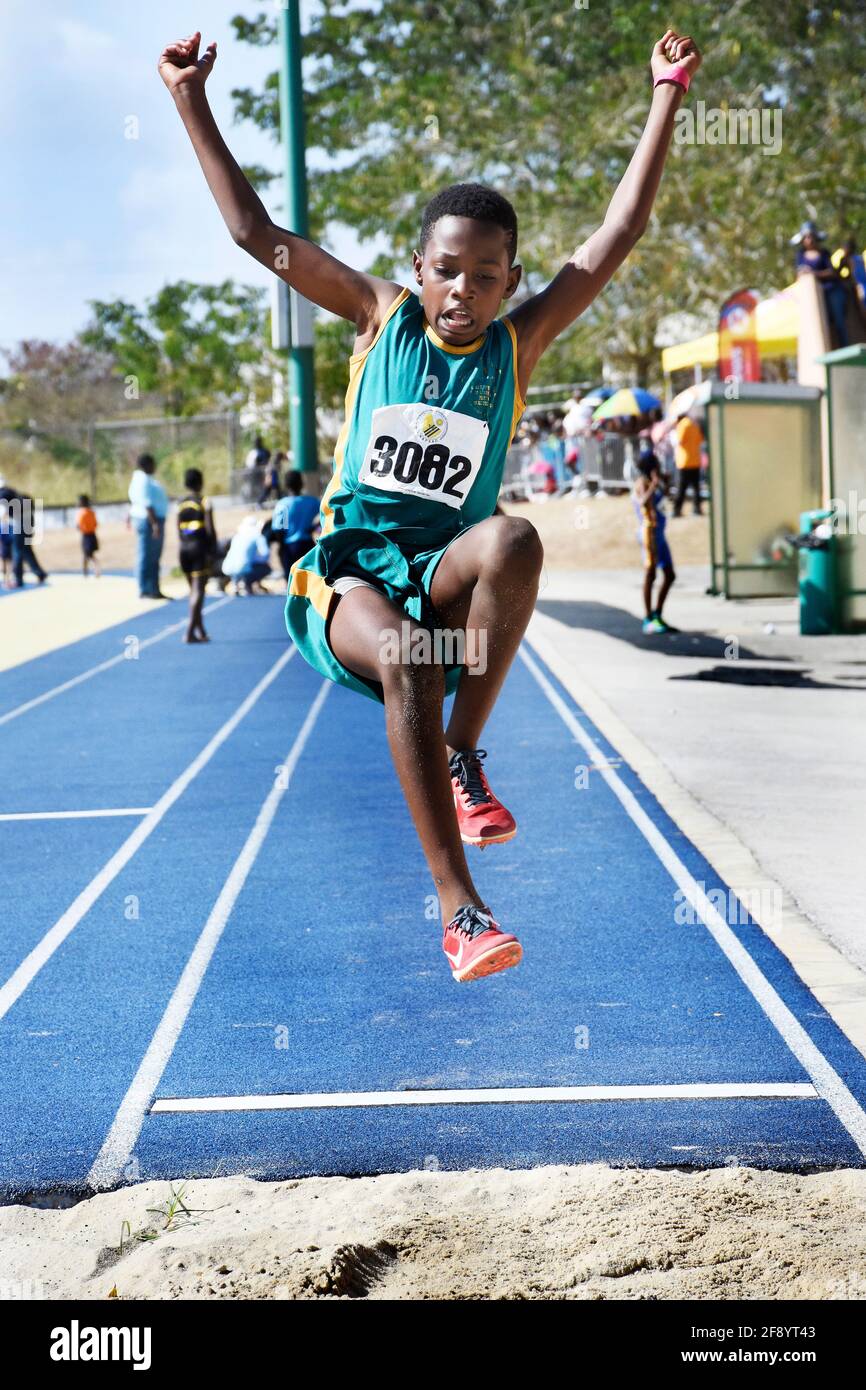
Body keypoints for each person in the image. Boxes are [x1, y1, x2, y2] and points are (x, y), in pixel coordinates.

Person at [161, 24, 702, 982]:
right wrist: (189, 98)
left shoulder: (516, 346)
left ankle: (462, 756)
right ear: (417, 268)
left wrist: (665, 95)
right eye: (446, 270)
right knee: (408, 654)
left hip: (442, 573)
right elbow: (257, 235)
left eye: (485, 275)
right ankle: (461, 911)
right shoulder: (379, 318)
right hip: (349, 573)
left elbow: (616, 237)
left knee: (516, 540)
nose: (462, 290)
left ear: (511, 283)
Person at [633, 446, 677, 634]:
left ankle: (658, 614)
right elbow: (643, 501)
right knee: (651, 574)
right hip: (649, 532)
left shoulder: (652, 481)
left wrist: (664, 485)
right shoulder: (642, 482)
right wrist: (654, 484)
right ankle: (648, 618)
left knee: (669, 574)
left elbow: (665, 501)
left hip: (659, 532)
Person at [792, 220, 849, 349]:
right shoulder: (800, 255)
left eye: (811, 236)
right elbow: (799, 273)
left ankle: (845, 348)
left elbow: (832, 272)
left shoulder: (824, 253)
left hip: (832, 290)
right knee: (822, 325)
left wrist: (813, 273)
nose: (809, 240)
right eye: (806, 237)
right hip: (814, 296)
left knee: (839, 322)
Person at [177, 468, 217, 642]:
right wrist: (213, 549)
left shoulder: (181, 503)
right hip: (199, 549)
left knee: (194, 591)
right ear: (201, 482)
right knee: (198, 591)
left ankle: (200, 630)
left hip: (183, 550)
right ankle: (189, 632)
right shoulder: (205, 501)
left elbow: (177, 529)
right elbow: (210, 529)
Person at [128, 454, 170, 598]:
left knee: (152, 556)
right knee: (147, 556)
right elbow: (147, 504)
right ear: (146, 465)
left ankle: (152, 588)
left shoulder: (142, 478)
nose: (155, 467)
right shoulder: (143, 480)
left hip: (150, 520)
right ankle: (146, 589)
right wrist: (154, 525)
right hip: (149, 521)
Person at [270, 469, 321, 581]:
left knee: (291, 581)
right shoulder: (312, 501)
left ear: (286, 485)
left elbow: (278, 529)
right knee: (309, 580)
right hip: (307, 545)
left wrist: (281, 548)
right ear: (302, 484)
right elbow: (325, 515)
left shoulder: (283, 504)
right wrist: (311, 528)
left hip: (289, 547)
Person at [0, 484, 47, 588]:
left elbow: (5, 511)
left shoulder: (3, 494)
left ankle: (18, 579)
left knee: (17, 552)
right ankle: (40, 573)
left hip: (20, 527)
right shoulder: (19, 496)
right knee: (27, 552)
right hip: (28, 525)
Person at [222, 515, 272, 594]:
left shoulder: (237, 536)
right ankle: (245, 582)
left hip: (227, 568)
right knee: (266, 568)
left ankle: (236, 583)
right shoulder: (258, 536)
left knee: (240, 566)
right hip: (244, 568)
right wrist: (253, 559)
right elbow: (265, 555)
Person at [671, 410, 703, 516]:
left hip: (684, 461)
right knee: (696, 488)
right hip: (695, 461)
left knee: (681, 488)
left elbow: (679, 441)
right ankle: (697, 509)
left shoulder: (682, 425)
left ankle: (676, 510)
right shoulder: (695, 424)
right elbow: (700, 440)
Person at [76, 495, 101, 578]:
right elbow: (96, 524)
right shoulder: (91, 512)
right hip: (92, 535)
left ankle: (92, 570)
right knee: (87, 554)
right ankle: (85, 571)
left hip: (86, 536)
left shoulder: (82, 513)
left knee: (88, 554)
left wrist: (83, 529)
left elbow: (79, 525)